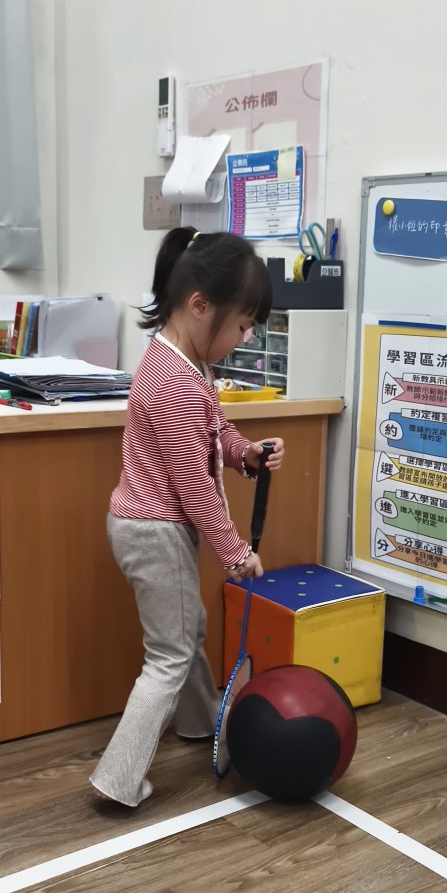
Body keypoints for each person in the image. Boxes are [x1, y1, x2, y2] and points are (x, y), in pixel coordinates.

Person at [90, 228, 284, 807]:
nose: (245, 338)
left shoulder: (185, 363)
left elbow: (214, 432)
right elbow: (192, 483)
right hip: (156, 531)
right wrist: (234, 551)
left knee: (185, 631)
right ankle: (118, 778)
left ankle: (201, 722)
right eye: (242, 325)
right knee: (170, 654)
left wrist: (246, 454)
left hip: (152, 528)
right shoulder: (175, 380)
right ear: (200, 305)